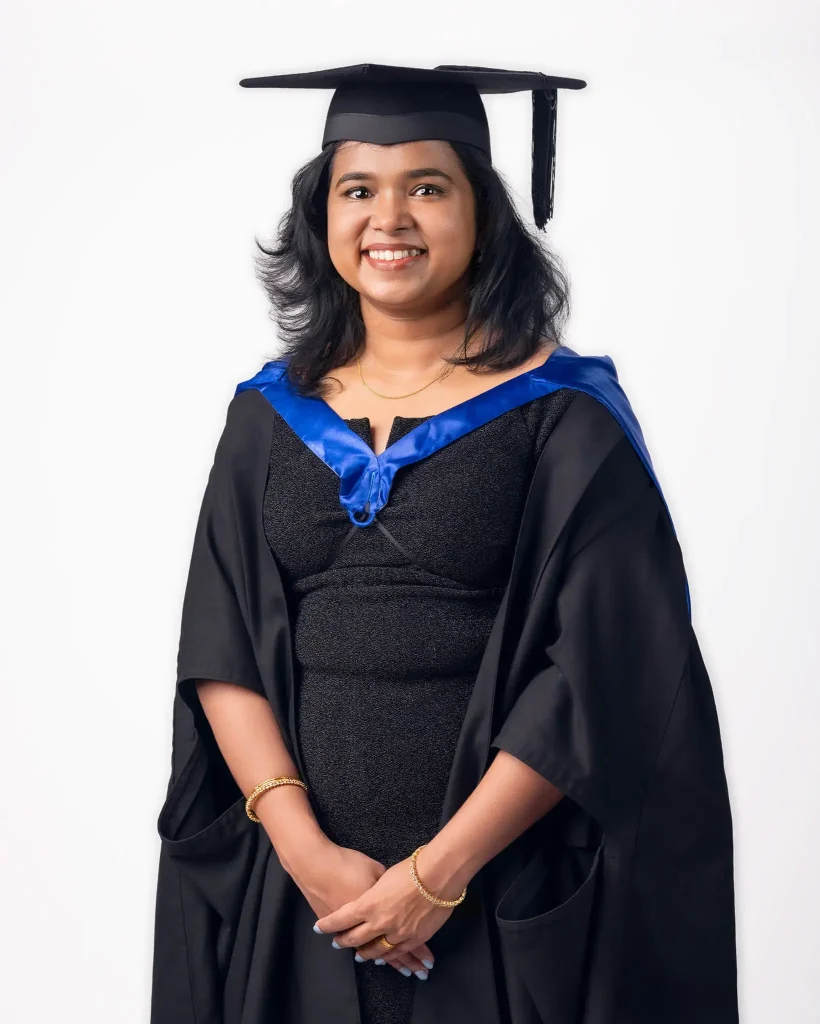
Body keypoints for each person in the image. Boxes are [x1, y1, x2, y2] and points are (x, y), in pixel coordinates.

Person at [150, 64, 738, 1024]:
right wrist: (309, 859)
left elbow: (596, 674)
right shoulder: (266, 418)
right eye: (358, 190)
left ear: (483, 216)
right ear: (321, 217)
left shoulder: (564, 418)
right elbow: (221, 650)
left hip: (502, 896)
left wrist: (439, 873)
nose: (391, 218)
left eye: (428, 186)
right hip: (303, 900)